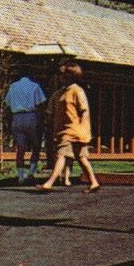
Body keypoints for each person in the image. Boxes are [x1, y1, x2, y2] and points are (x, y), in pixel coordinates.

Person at [40, 62, 100, 193]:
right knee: (81, 158)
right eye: (60, 75)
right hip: (63, 130)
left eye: (64, 75)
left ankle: (49, 183)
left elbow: (84, 110)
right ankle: (94, 182)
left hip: (74, 131)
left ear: (72, 76)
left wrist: (83, 129)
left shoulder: (77, 91)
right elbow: (50, 113)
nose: (61, 77)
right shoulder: (58, 94)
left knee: (61, 155)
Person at [4, 66, 47, 184]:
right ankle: (31, 172)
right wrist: (41, 120)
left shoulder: (13, 87)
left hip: (17, 117)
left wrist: (10, 121)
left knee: (20, 149)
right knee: (36, 146)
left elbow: (7, 105)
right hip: (31, 116)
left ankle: (20, 176)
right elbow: (39, 105)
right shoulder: (35, 86)